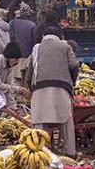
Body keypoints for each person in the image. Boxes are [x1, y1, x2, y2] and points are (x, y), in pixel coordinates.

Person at [29, 27, 79, 157]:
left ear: (43, 36)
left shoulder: (36, 48)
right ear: (59, 36)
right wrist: (72, 82)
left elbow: (31, 71)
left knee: (39, 121)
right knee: (66, 121)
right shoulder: (66, 47)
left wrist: (31, 88)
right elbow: (74, 65)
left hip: (39, 88)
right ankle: (71, 152)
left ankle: (38, 153)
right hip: (61, 88)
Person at [10, 3, 37, 83]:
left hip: (15, 55)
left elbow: (11, 38)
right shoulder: (32, 25)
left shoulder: (12, 23)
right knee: (25, 78)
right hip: (28, 55)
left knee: (15, 79)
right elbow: (35, 41)